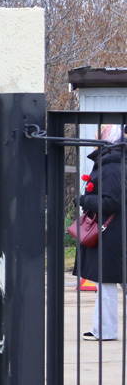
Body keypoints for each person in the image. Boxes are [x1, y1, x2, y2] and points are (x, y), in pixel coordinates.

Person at [76, 124, 126, 342]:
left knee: (106, 281)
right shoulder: (110, 162)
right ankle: (102, 329)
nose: (96, 135)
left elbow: (113, 202)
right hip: (112, 231)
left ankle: (105, 330)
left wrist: (84, 199)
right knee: (106, 281)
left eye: (100, 132)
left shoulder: (112, 166)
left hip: (112, 232)